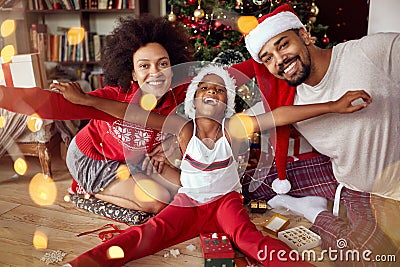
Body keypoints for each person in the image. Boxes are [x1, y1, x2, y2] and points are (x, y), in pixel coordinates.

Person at [55, 64, 370, 267]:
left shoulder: (234, 128)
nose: (212, 92)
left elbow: (281, 114)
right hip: (188, 203)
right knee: (144, 236)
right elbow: (132, 113)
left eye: (219, 89)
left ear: (227, 102)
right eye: (205, 88)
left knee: (253, 242)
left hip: (225, 204)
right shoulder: (182, 128)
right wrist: (87, 101)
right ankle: (81, 264)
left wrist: (333, 105)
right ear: (193, 100)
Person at [237, 3, 400, 266]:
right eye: (267, 58)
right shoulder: (290, 97)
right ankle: (311, 205)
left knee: (367, 257)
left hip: (390, 193)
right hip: (351, 186)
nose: (279, 60)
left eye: (282, 45)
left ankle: (315, 214)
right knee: (253, 181)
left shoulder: (369, 53)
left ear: (304, 35)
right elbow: (241, 123)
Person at [0, 15, 194, 217]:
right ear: (133, 73)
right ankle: (84, 190)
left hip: (132, 157)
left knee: (181, 188)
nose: (156, 73)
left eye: (163, 64)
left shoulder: (181, 94)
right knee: (156, 202)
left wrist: (169, 144)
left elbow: (202, 117)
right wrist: (4, 95)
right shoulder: (115, 97)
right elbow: (52, 104)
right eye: (144, 66)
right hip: (92, 157)